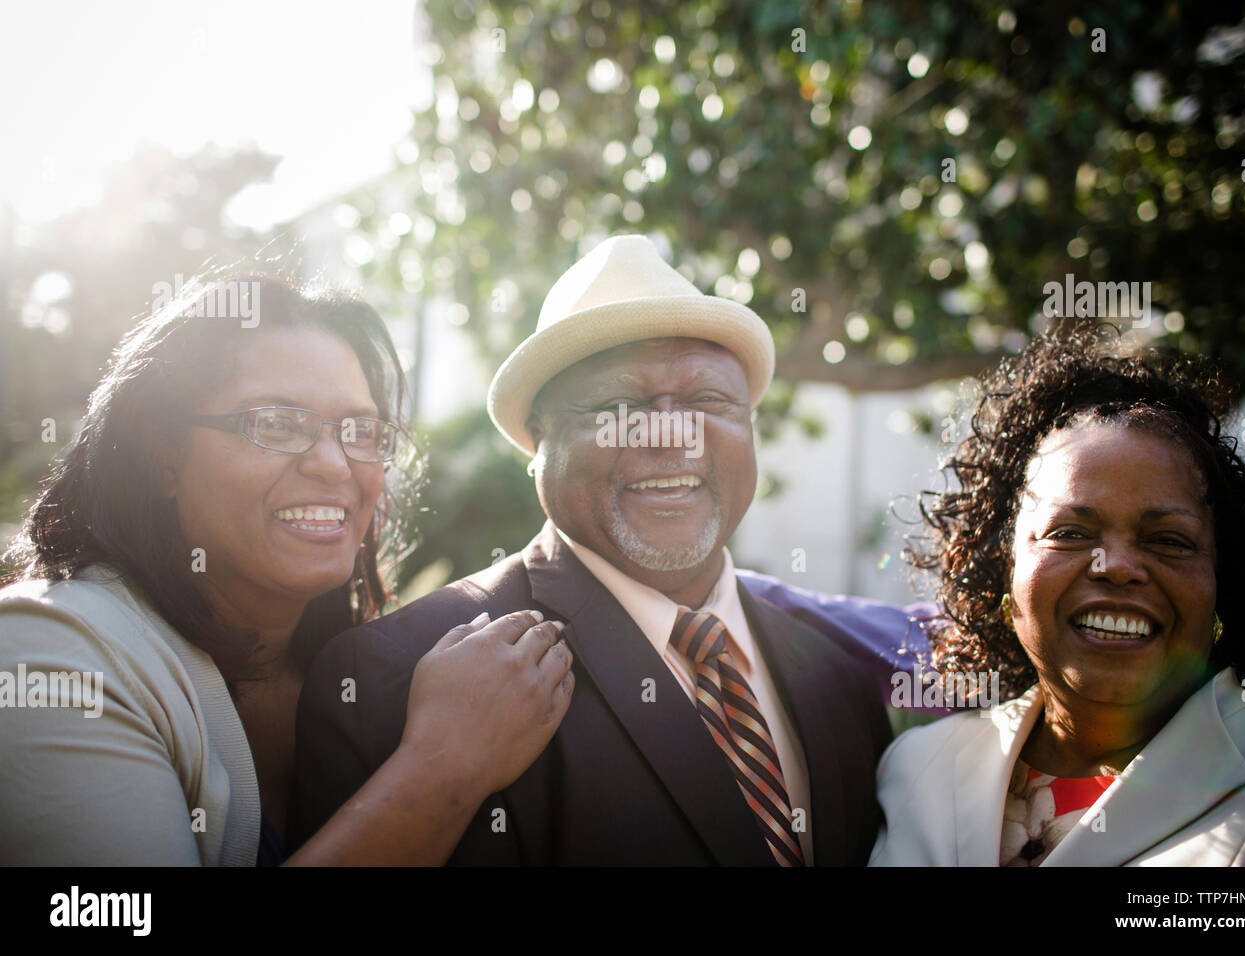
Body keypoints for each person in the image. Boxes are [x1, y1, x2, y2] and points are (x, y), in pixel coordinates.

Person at [291, 235, 893, 865]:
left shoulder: (839, 681)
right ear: (539, 444)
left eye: (708, 401)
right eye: (619, 405)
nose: (671, 433)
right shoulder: (394, 683)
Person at [0, 275, 573, 865]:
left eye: (361, 431)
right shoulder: (53, 652)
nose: (332, 464)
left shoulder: (368, 669)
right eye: (276, 423)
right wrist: (445, 766)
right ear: (162, 451)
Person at [868, 324, 1245, 865]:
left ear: (1221, 586)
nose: (1117, 566)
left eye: (1168, 540)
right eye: (1069, 533)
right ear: (1001, 573)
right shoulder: (916, 765)